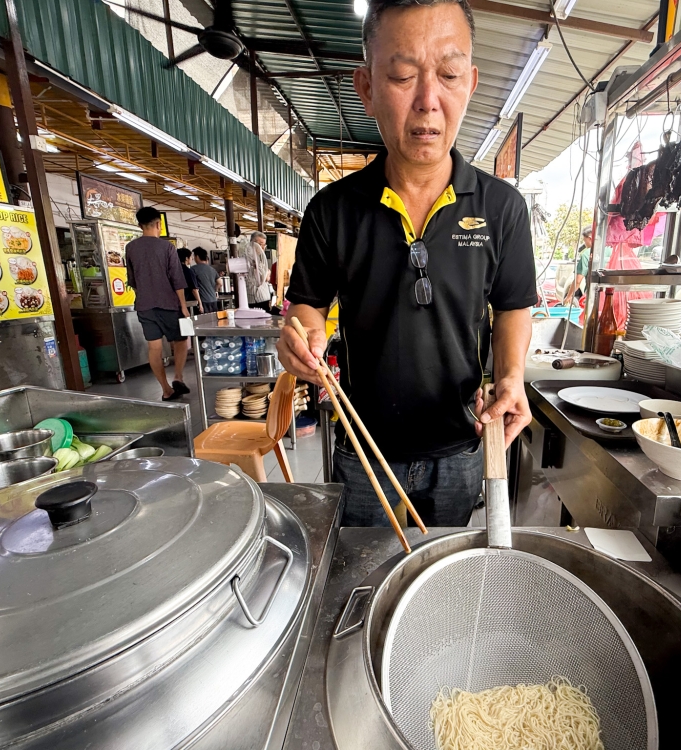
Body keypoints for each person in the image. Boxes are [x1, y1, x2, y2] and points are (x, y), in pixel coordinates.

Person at [278, 0, 535, 528]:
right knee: (363, 578)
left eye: (448, 74)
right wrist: (302, 338)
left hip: (462, 445)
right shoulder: (333, 210)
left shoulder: (502, 208)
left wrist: (512, 377)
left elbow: (512, 307)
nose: (427, 101)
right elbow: (307, 306)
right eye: (401, 76)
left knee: (444, 582)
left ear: (471, 82)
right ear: (368, 88)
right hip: (363, 447)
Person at [125, 206, 191, 401]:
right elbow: (176, 279)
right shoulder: (167, 247)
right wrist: (183, 305)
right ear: (158, 225)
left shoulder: (131, 247)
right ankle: (178, 376)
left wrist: (144, 294)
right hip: (169, 303)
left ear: (140, 225)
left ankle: (165, 389)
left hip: (144, 305)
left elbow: (132, 279)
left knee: (154, 348)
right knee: (180, 341)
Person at [562, 225, 592, 307]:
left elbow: (578, 281)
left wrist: (568, 297)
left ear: (590, 238)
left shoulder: (587, 254)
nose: (584, 243)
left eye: (584, 240)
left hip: (593, 297)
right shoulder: (612, 250)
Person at [244, 230, 273, 312]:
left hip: (264, 296)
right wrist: (266, 273)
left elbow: (265, 276)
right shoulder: (246, 258)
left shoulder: (261, 259)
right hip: (251, 297)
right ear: (252, 243)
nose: (262, 248)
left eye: (264, 245)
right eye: (260, 244)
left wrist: (267, 272)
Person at [191, 247, 219, 312]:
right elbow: (220, 283)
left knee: (204, 321)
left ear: (197, 256)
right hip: (213, 300)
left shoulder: (193, 269)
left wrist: (199, 303)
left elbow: (194, 289)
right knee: (214, 320)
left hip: (203, 301)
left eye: (194, 256)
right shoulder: (212, 269)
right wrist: (215, 291)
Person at [177, 247, 203, 315]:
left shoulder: (173, 270)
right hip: (188, 303)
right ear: (186, 258)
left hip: (175, 304)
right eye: (191, 257)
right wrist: (200, 303)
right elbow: (194, 290)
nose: (192, 259)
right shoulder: (188, 271)